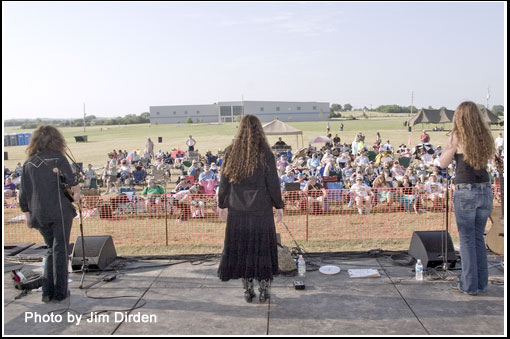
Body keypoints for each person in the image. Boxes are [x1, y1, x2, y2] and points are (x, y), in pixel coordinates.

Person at [218, 115, 284, 303]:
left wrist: (221, 203)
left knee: (242, 249)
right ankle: (264, 289)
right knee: (262, 250)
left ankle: (248, 290)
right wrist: (279, 206)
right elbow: (273, 184)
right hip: (261, 211)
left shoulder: (231, 152)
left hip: (237, 211)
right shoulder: (266, 153)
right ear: (259, 131)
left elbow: (224, 182)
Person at [18, 125, 80, 303]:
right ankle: (60, 292)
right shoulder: (58, 159)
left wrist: (27, 214)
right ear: (57, 140)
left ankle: (47, 292)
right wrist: (76, 194)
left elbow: (23, 192)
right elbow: (72, 180)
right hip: (59, 211)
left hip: (39, 213)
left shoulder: (28, 163)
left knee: (50, 250)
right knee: (60, 251)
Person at [439, 101, 495, 295]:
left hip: (466, 191)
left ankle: (469, 285)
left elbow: (443, 163)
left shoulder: (458, 136)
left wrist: (449, 146)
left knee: (467, 240)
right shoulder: (485, 136)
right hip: (485, 190)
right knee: (479, 238)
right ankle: (482, 283)